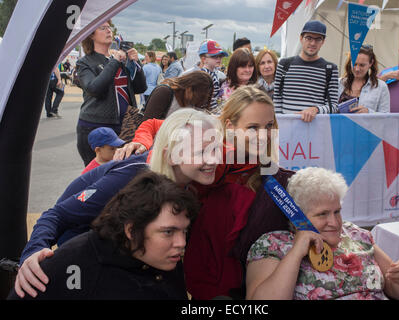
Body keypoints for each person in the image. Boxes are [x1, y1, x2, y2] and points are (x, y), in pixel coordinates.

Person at [13, 108, 222, 298]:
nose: (213, 160)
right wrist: (33, 253)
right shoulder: (131, 178)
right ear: (170, 155)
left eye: (215, 149)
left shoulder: (188, 177)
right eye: (200, 152)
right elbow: (57, 214)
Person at [113, 86, 295, 299]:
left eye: (270, 126)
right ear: (230, 126)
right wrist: (141, 143)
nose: (263, 135)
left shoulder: (271, 176)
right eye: (253, 127)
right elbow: (155, 125)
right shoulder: (204, 142)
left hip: (230, 281)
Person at [8, 171, 198, 300]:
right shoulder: (71, 267)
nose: (181, 243)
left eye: (184, 231)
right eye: (168, 232)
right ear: (131, 230)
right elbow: (56, 214)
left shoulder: (164, 257)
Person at [246, 167, 399, 300]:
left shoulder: (356, 234)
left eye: (337, 211)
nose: (335, 222)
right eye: (322, 214)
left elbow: (398, 291)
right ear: (296, 215)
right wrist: (296, 253)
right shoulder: (273, 244)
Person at [75, 20, 147, 166]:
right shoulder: (85, 62)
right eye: (103, 28)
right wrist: (114, 61)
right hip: (95, 126)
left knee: (123, 173)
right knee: (97, 175)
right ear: (91, 36)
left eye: (109, 28)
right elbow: (94, 88)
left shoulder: (120, 59)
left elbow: (140, 88)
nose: (109, 31)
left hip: (125, 125)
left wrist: (136, 63)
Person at [273, 20, 339, 122]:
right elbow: (277, 99)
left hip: (315, 131)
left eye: (318, 39)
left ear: (323, 42)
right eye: (309, 38)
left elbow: (333, 106)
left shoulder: (330, 69)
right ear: (301, 38)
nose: (313, 43)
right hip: (287, 131)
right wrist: (280, 124)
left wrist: (316, 109)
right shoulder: (284, 64)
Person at [141, 70, 213, 120]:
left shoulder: (195, 102)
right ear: (189, 88)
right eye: (198, 97)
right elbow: (147, 123)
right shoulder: (164, 92)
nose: (199, 102)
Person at [338, 45, 390, 113]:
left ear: (371, 63)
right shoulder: (338, 83)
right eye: (354, 64)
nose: (357, 69)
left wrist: (368, 112)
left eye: (362, 65)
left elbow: (386, 117)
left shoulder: (381, 87)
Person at [196, 40, 228, 113]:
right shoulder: (204, 75)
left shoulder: (213, 73)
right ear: (204, 59)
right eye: (214, 56)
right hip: (204, 114)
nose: (219, 59)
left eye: (220, 56)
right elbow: (200, 102)